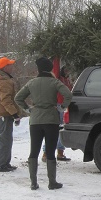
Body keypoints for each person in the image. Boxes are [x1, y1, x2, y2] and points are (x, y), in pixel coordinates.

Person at [15, 57, 72, 190]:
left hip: (35, 120)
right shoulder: (54, 82)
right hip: (51, 120)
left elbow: (18, 97)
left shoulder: (32, 83)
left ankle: (33, 183)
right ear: (50, 69)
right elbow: (68, 94)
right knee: (51, 152)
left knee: (33, 151)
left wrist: (28, 109)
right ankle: (52, 182)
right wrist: (61, 107)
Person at [0, 57, 21, 172]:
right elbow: (6, 100)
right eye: (10, 65)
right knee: (5, 140)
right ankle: (0, 165)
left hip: (1, 113)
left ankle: (5, 163)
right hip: (3, 114)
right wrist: (14, 114)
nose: (12, 67)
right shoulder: (3, 81)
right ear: (5, 67)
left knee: (7, 139)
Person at [41, 66, 73, 162]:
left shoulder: (66, 80)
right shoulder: (57, 78)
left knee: (61, 129)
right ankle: (46, 152)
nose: (68, 72)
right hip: (57, 105)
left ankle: (60, 152)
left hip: (64, 106)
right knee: (53, 129)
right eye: (66, 70)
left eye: (69, 71)